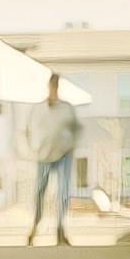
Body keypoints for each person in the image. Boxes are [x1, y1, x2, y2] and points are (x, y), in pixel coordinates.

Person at [26, 73, 80, 246]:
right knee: (40, 191)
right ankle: (35, 227)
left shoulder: (66, 108)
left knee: (63, 192)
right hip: (44, 155)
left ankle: (60, 229)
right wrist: (35, 148)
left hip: (63, 154)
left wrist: (71, 147)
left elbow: (74, 129)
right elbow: (31, 130)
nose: (54, 88)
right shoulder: (40, 108)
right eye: (52, 85)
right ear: (49, 86)